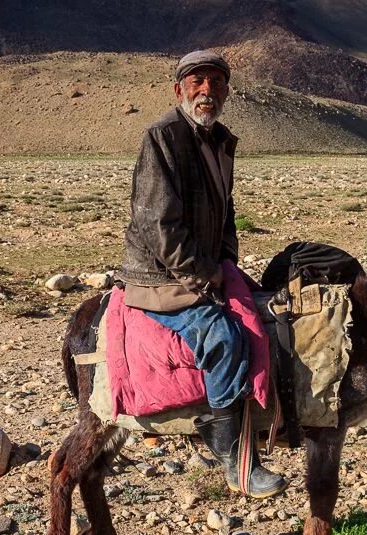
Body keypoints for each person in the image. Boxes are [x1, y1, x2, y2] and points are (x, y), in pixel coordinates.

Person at [116, 50, 287, 499]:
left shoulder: (217, 140)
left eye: (215, 81)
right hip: (162, 278)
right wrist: (203, 277)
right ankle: (235, 460)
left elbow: (225, 212)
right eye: (197, 82)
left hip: (204, 269)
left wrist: (226, 261)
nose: (206, 90)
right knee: (224, 337)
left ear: (227, 91)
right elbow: (158, 224)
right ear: (179, 90)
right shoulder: (164, 138)